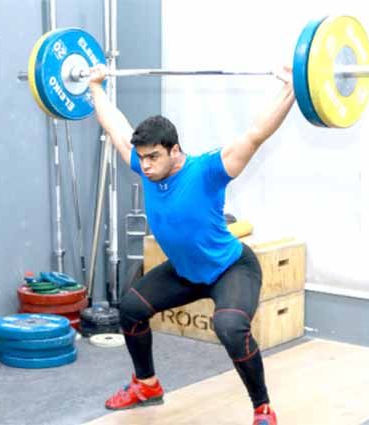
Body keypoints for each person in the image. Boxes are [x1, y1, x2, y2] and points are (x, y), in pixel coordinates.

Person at [87, 64, 294, 425]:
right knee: (132, 308)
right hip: (186, 272)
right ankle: (146, 385)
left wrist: (294, 87)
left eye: (154, 157)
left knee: (229, 328)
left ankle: (263, 408)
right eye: (142, 157)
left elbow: (256, 134)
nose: (145, 165)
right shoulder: (144, 164)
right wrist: (95, 86)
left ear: (175, 150)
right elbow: (115, 127)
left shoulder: (207, 170)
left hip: (230, 268)